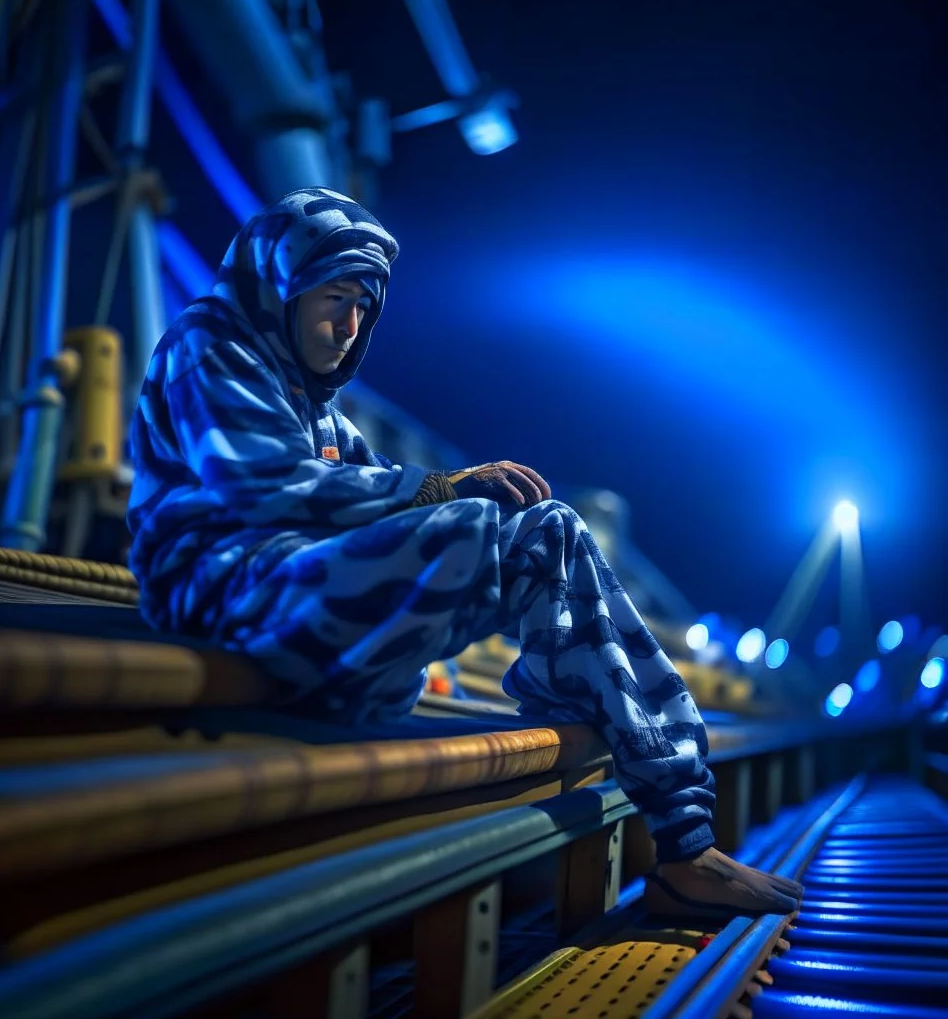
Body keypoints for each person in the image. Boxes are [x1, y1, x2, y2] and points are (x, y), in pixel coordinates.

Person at [127, 187, 803, 920]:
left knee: (552, 530)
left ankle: (684, 840)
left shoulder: (315, 400)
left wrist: (453, 501)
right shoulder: (208, 345)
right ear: (282, 282)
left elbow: (365, 488)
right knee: (468, 529)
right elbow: (261, 484)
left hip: (292, 582)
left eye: (364, 307)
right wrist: (446, 489)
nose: (351, 326)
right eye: (335, 297)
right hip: (221, 583)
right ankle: (407, 697)